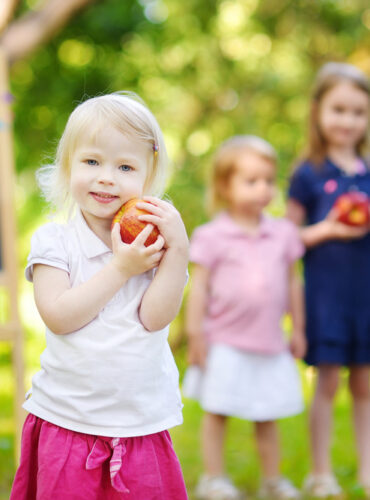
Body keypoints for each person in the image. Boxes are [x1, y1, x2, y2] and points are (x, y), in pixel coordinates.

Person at [10, 92, 189, 500]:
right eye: (91, 162)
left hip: (140, 424)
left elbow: (155, 317)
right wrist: (121, 268)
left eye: (125, 166)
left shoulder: (151, 242)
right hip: (68, 422)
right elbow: (58, 315)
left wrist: (178, 250)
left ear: (148, 177)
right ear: (67, 166)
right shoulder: (55, 241)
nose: (106, 176)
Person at [183, 135, 306, 500]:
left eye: (269, 181)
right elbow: (199, 289)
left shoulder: (282, 233)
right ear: (225, 185)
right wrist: (196, 336)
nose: (262, 189)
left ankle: (273, 480)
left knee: (266, 415)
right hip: (224, 342)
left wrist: (298, 328)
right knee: (217, 411)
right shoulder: (211, 235)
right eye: (251, 181)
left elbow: (293, 283)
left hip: (268, 341)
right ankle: (214, 477)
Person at [287, 62, 370, 498]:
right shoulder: (308, 174)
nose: (348, 121)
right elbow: (285, 240)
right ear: (318, 111)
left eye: (359, 112)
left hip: (365, 296)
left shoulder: (368, 173)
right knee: (329, 381)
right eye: (339, 109)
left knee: (364, 385)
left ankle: (366, 470)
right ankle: (321, 472)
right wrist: (329, 228)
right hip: (326, 299)